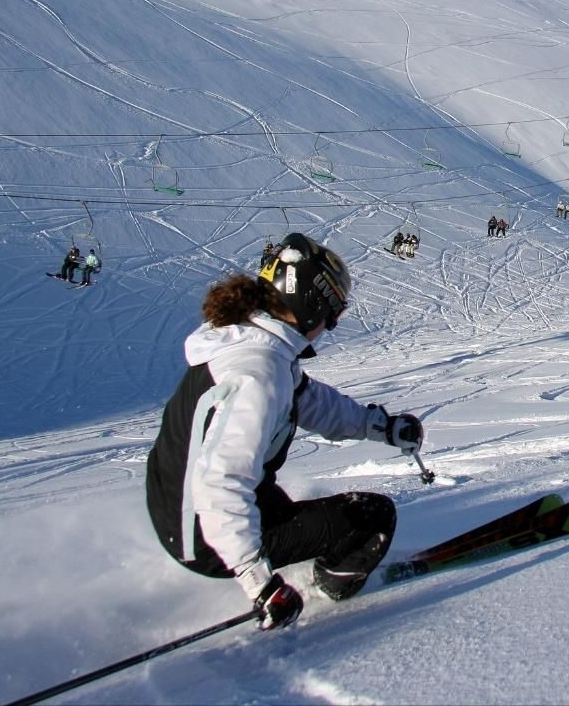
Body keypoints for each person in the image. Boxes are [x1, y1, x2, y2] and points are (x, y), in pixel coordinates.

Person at [145, 233, 424, 631]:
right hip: (203, 533)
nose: (332, 324)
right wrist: (259, 584)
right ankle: (324, 594)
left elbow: (311, 402)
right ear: (311, 306)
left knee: (302, 514)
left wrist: (383, 427)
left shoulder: (254, 347)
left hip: (184, 509)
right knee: (371, 517)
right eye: (333, 312)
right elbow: (220, 482)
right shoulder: (256, 373)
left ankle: (287, 558)